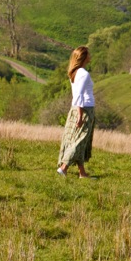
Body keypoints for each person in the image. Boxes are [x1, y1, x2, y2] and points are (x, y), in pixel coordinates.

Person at [57, 45, 95, 178]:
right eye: (88, 54)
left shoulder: (74, 72)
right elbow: (78, 95)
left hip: (77, 108)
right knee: (80, 140)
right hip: (84, 109)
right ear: (84, 57)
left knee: (79, 140)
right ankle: (64, 167)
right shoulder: (84, 74)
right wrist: (80, 115)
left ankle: (82, 173)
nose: (90, 56)